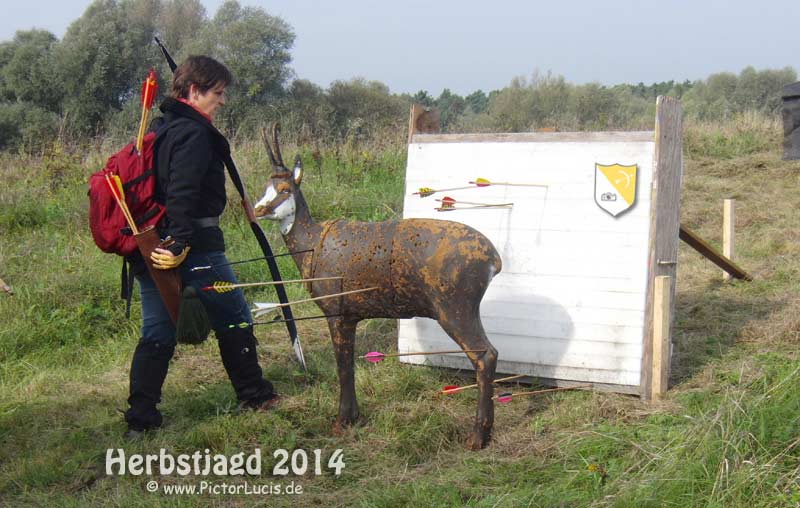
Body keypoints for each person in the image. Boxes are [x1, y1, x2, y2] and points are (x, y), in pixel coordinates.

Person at [124, 55, 278, 437]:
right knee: (235, 317)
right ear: (194, 91)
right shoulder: (192, 134)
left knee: (157, 332)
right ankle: (255, 395)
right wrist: (181, 241)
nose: (222, 101)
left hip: (153, 246)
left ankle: (141, 422)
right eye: (218, 93)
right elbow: (181, 193)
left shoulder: (163, 129)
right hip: (193, 246)